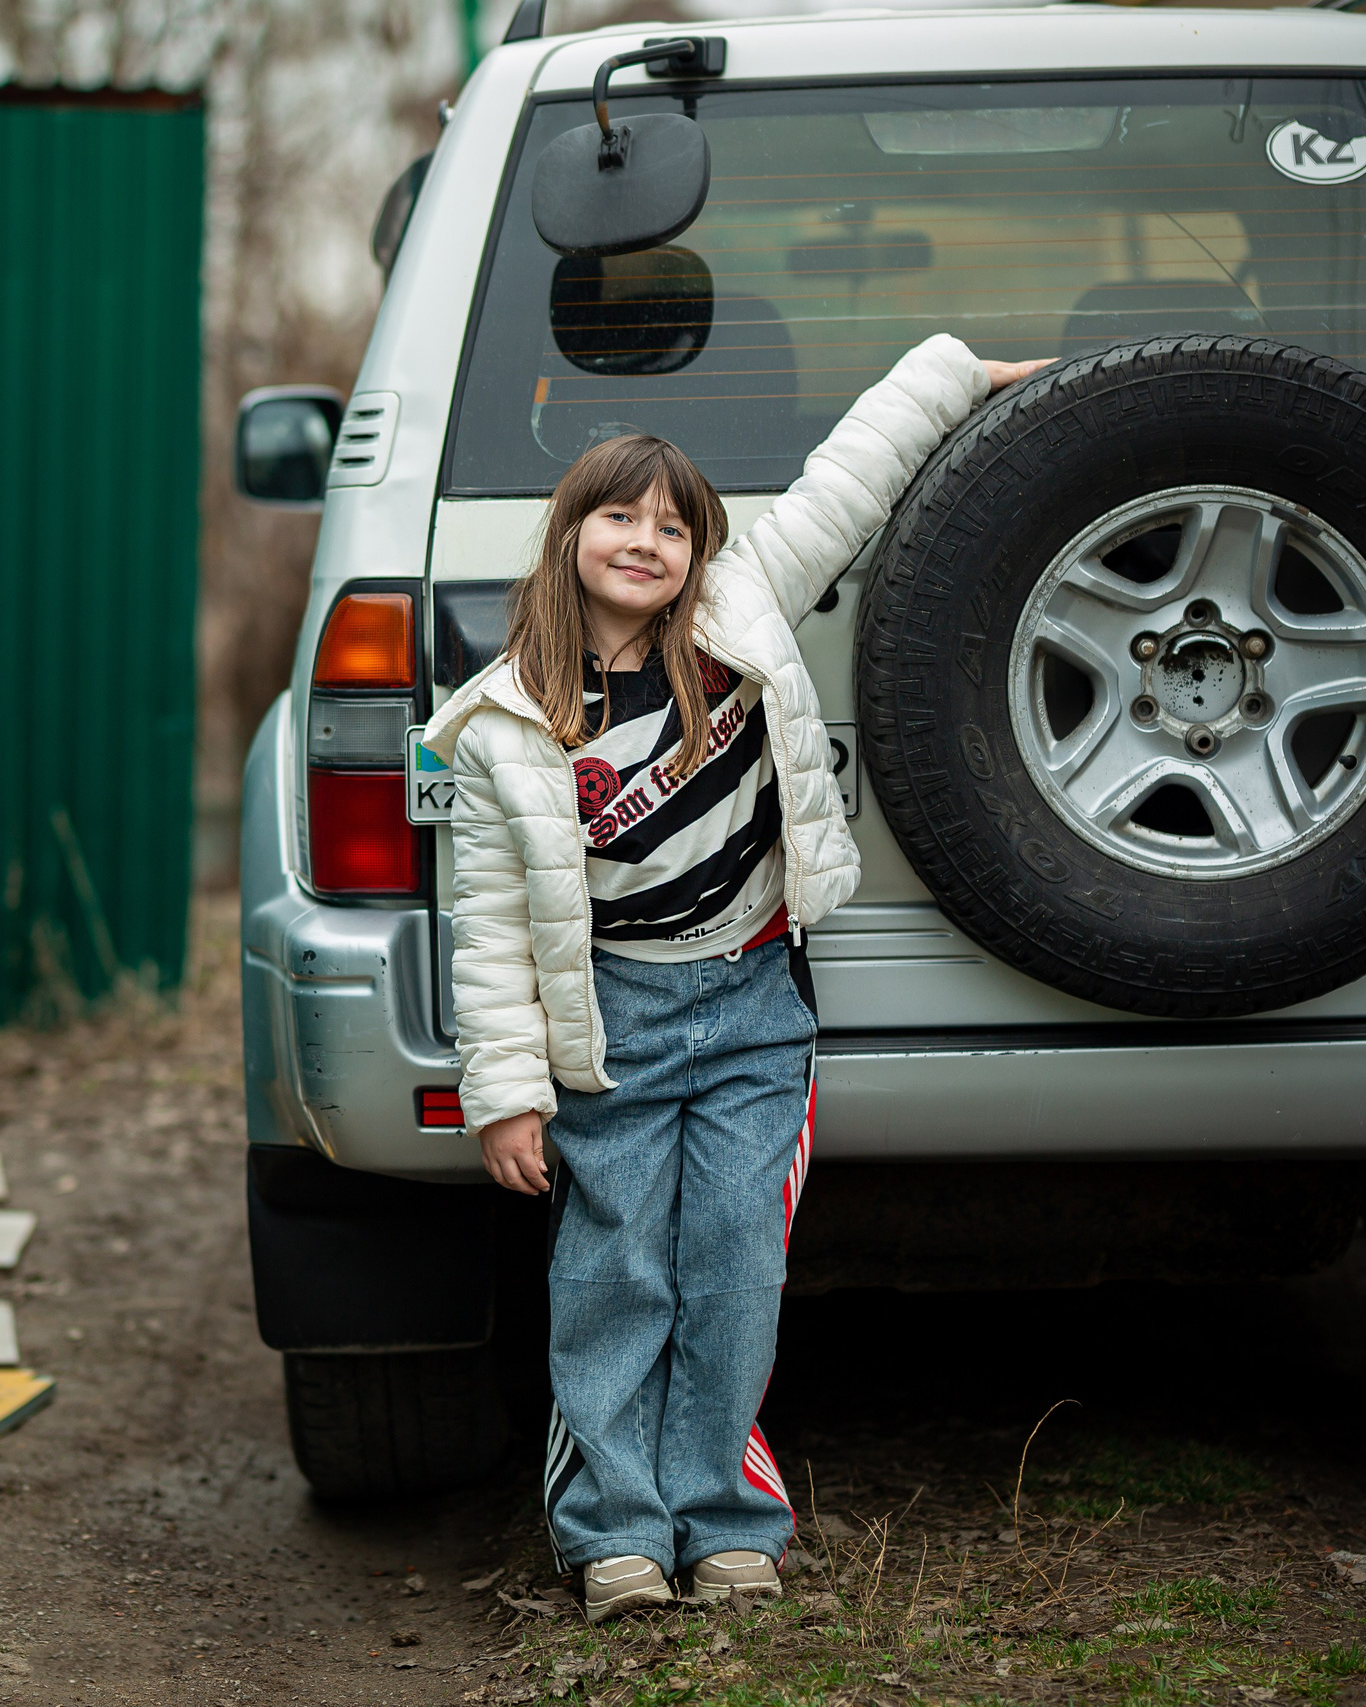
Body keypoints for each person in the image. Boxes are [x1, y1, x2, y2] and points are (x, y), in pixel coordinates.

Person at [419, 334, 1049, 1623]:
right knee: (611, 1282)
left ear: (704, 549)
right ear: (567, 534)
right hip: (616, 1028)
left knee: (733, 1269)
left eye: (674, 524)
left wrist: (955, 377)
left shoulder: (744, 617)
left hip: (756, 1009)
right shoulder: (503, 723)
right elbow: (485, 927)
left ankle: (724, 1523)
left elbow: (844, 483)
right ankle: (615, 1538)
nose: (647, 541)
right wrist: (507, 1094)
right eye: (618, 516)